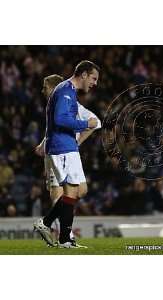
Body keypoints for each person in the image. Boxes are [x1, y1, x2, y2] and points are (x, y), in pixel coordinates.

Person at [33, 61, 100, 248]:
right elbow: (60, 119)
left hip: (66, 146)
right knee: (71, 191)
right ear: (84, 74)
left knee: (75, 192)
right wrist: (86, 124)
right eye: (93, 78)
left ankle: (57, 233)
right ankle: (56, 231)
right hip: (62, 147)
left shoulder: (67, 90)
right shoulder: (65, 90)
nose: (95, 83)